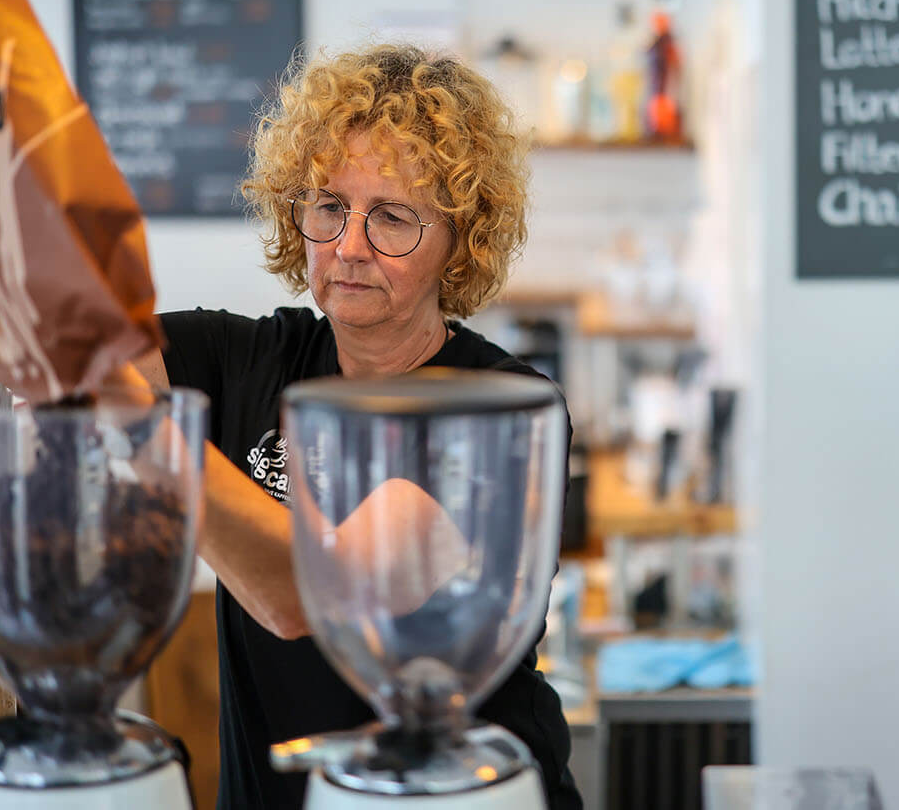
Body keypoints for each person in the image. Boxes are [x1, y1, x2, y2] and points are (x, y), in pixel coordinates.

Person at [129, 43, 581, 809]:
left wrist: (142, 430)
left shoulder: (505, 409)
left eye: (393, 218)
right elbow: (58, 345)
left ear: (458, 240)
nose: (348, 247)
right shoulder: (241, 359)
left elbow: (312, 595)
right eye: (330, 206)